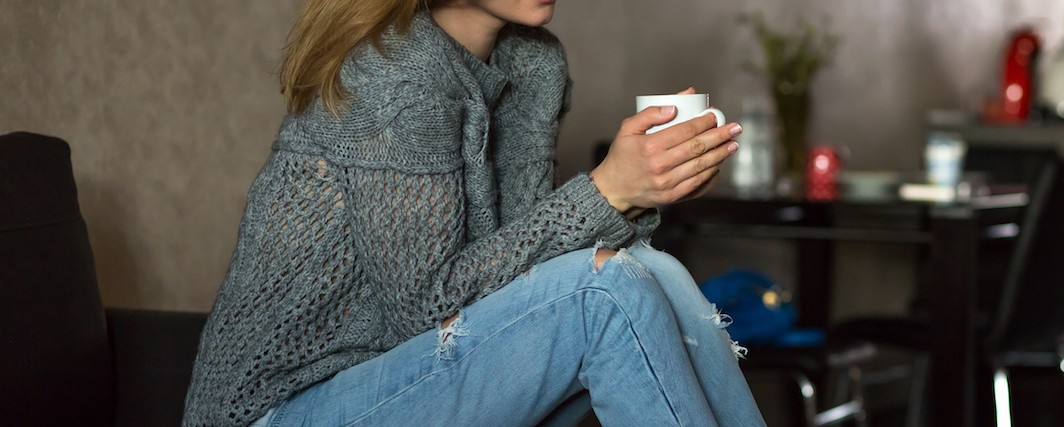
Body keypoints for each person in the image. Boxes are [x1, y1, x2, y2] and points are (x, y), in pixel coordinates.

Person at [182, 0, 765, 425]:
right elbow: (426, 311)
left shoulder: (532, 62)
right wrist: (607, 191)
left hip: (407, 383)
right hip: (284, 409)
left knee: (652, 271)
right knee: (603, 292)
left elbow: (525, 269)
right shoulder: (393, 75)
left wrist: (637, 192)